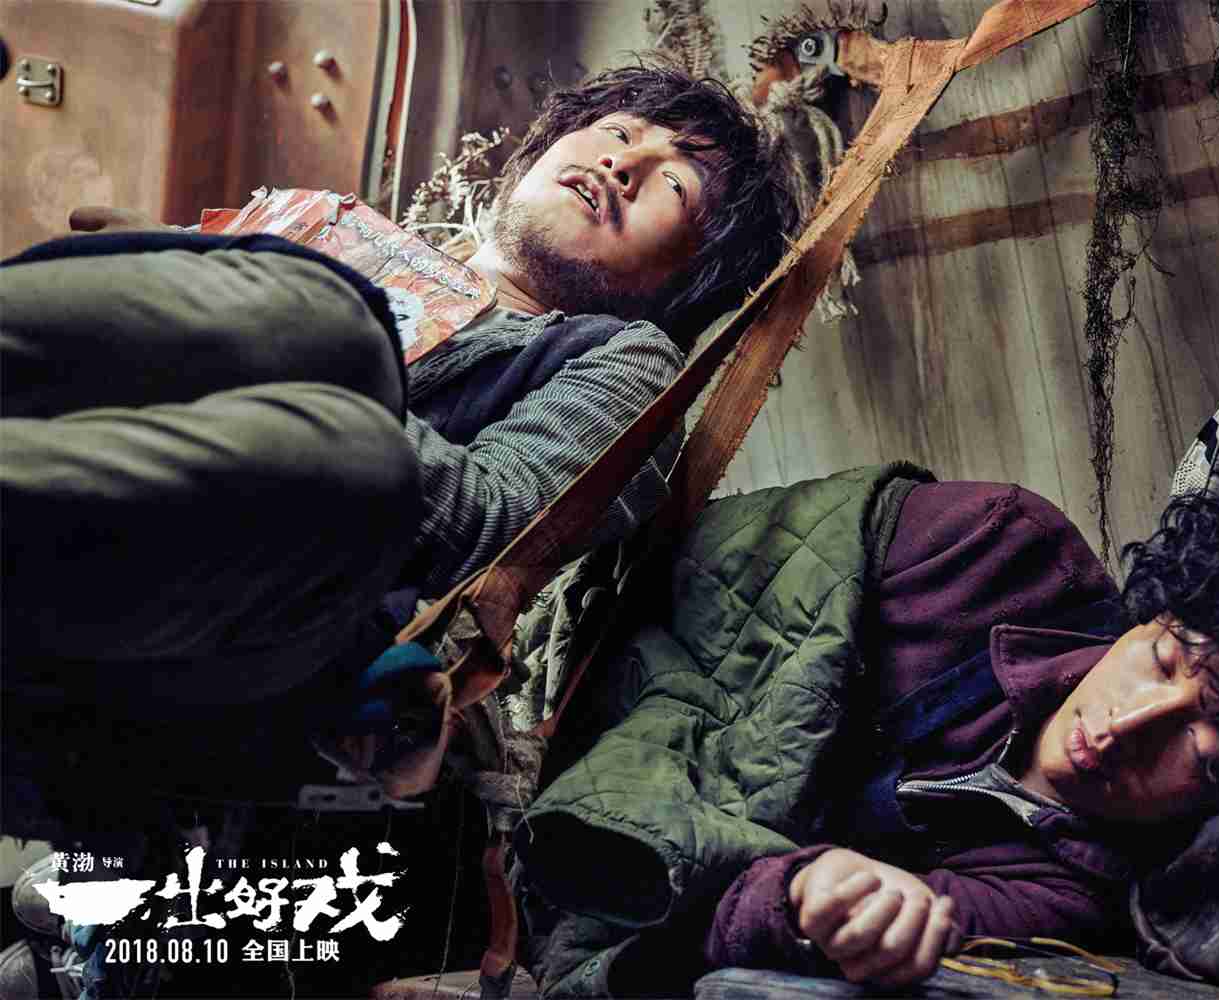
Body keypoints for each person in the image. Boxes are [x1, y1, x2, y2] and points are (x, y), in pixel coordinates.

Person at [0, 63, 796, 801]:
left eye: (675, 186)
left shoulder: (625, 357)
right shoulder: (335, 234)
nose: (624, 163)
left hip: (266, 602)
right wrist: (171, 276)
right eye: (618, 132)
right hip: (96, 474)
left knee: (334, 345)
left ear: (687, 279)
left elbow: (492, 520)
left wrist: (271, 344)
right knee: (133, 258)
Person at [506, 465, 1219, 997]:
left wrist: (806, 897)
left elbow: (727, 932)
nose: (1128, 726)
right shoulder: (997, 548)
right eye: (1160, 661)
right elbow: (725, 577)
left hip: (566, 858)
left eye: (1199, 743)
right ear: (1146, 619)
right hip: (544, 660)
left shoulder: (1067, 896)